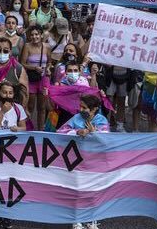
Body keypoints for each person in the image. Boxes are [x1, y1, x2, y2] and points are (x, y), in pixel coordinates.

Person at [57, 94, 109, 229]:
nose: (81, 110)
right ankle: (77, 219)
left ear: (94, 109)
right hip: (78, 161)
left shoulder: (101, 120)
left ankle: (92, 220)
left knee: (93, 191)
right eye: (80, 106)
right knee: (78, 190)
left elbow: (107, 138)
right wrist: (77, 132)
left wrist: (94, 132)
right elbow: (60, 131)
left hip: (95, 162)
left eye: (84, 108)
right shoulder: (76, 118)